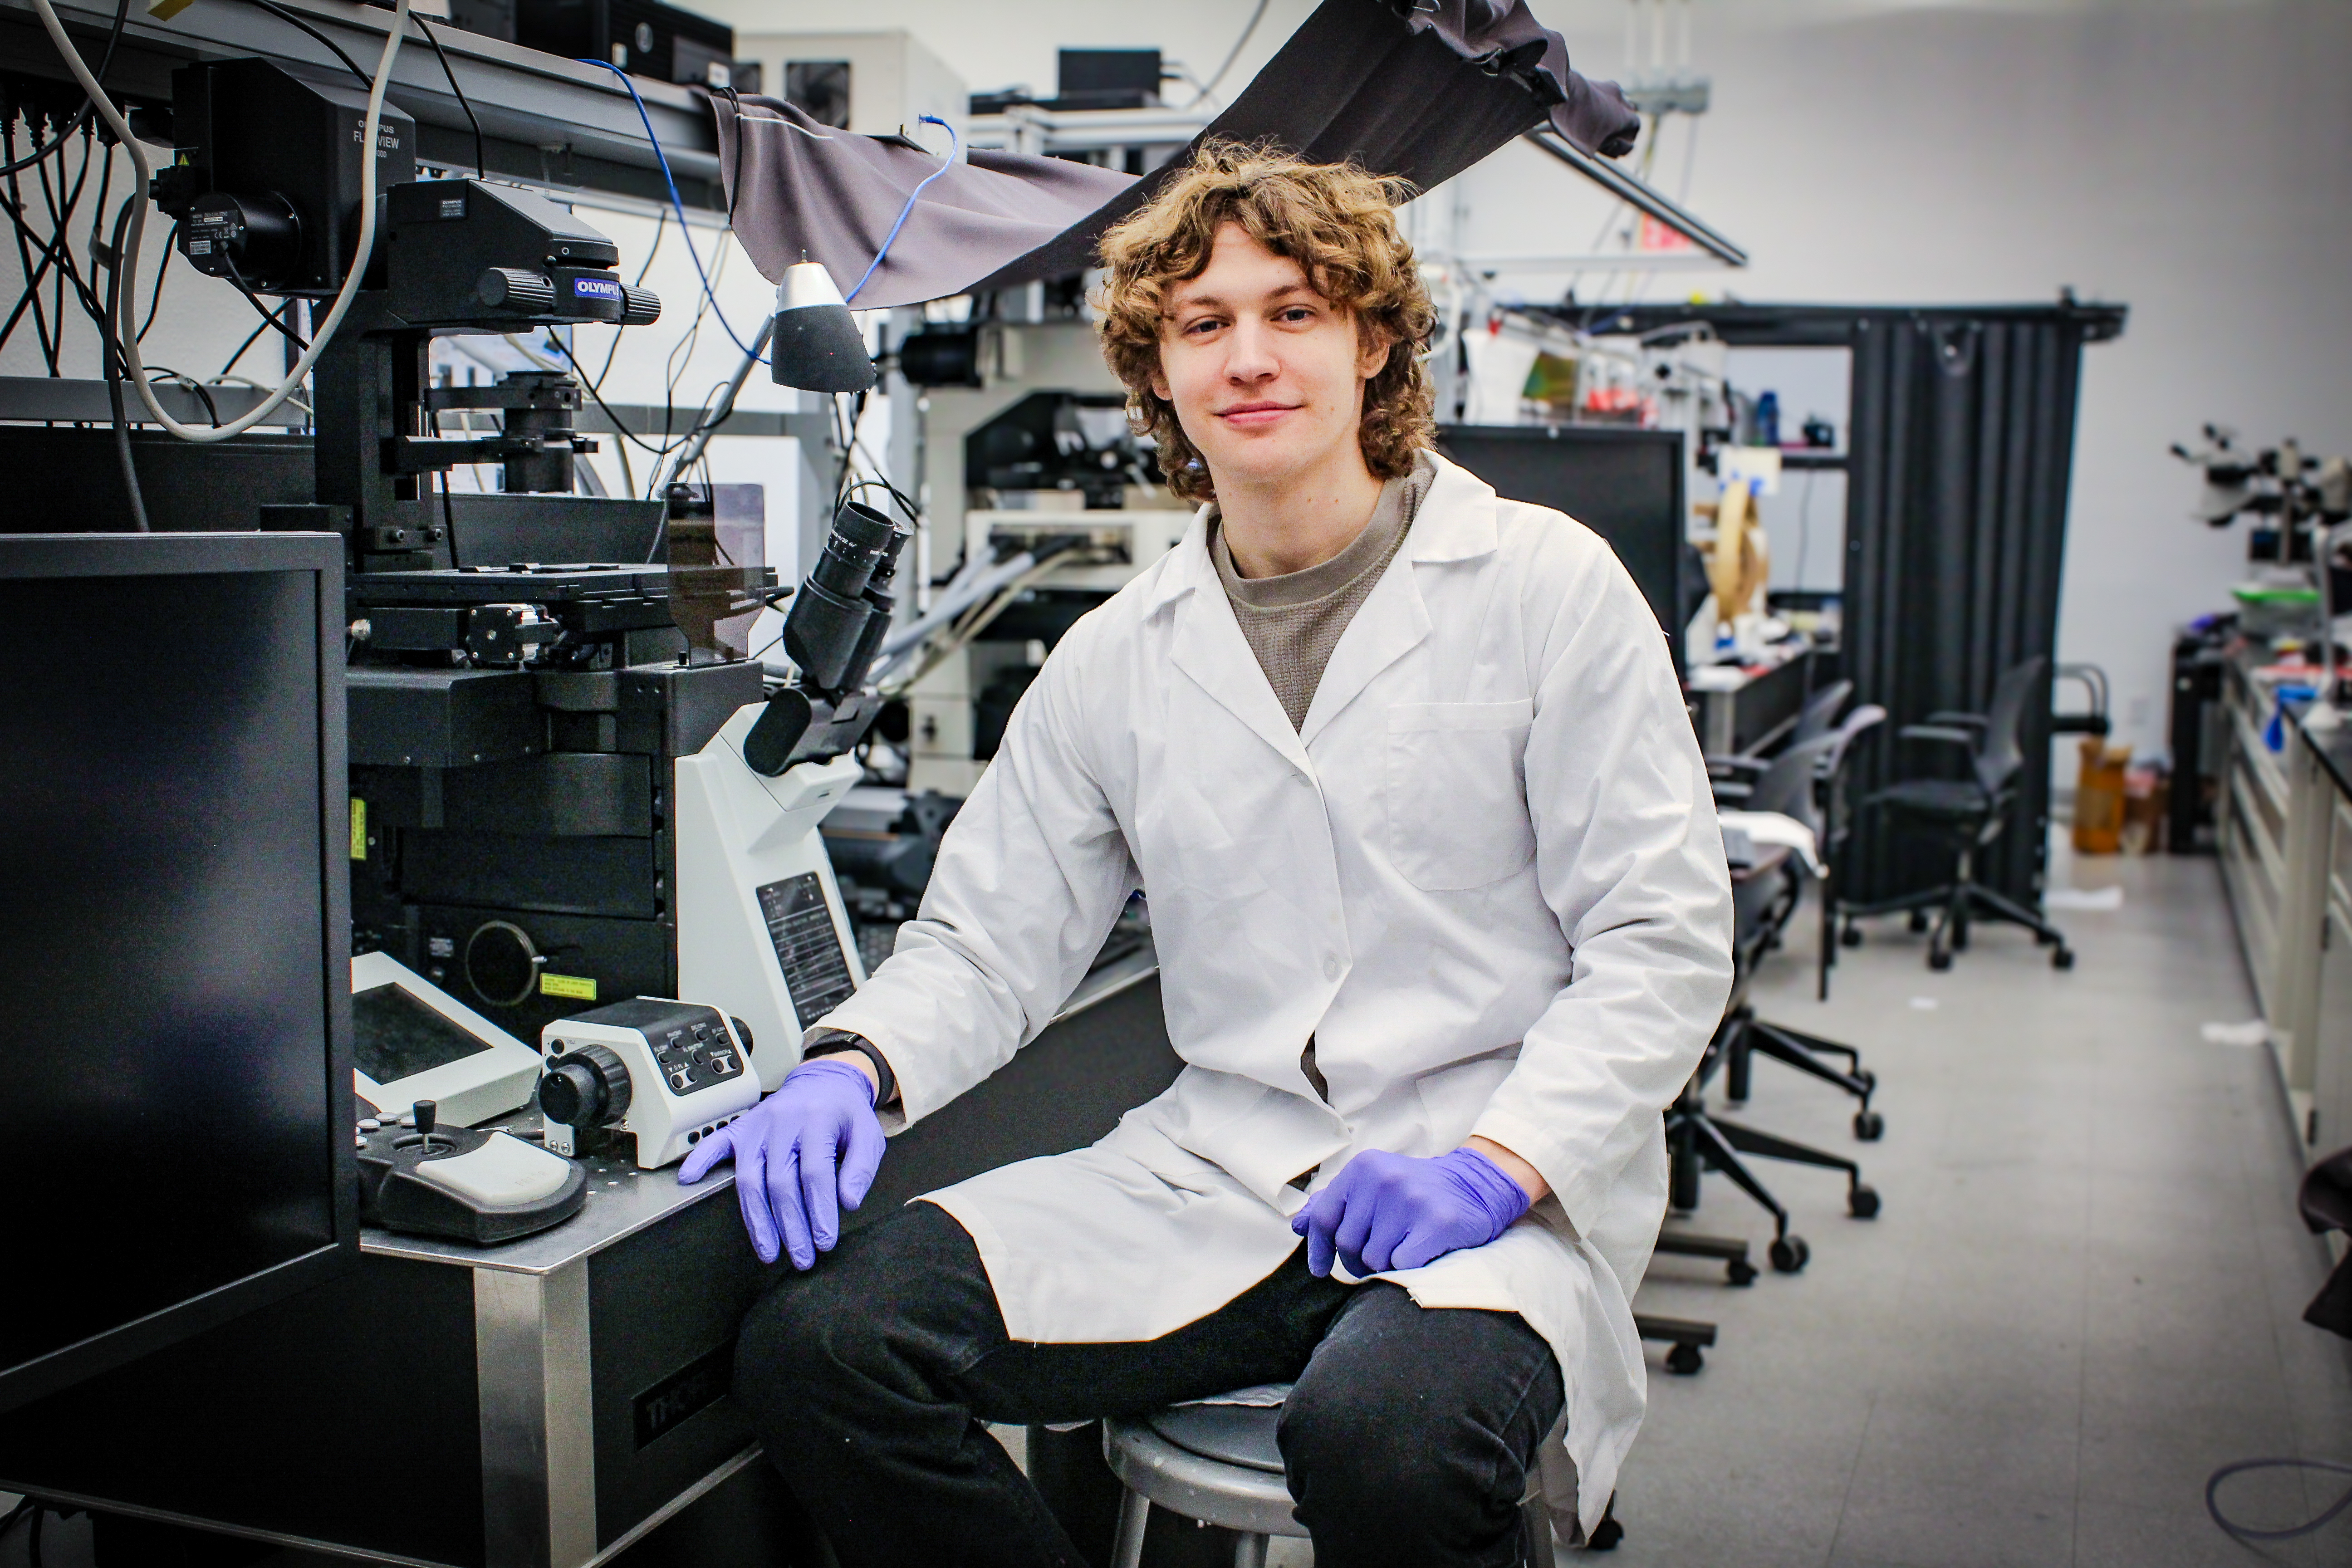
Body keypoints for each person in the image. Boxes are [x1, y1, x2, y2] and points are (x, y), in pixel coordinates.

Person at [684, 141, 1733, 1568]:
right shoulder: (1122, 654)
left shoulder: (1547, 589)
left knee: (1383, 1444)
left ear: (1372, 341)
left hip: (1487, 1190)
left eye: (1293, 310)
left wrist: (1498, 1164)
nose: (1249, 355)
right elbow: (990, 941)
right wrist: (847, 1065)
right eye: (1203, 323)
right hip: (1218, 1180)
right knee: (822, 1350)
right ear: (1159, 372)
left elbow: (1660, 944)